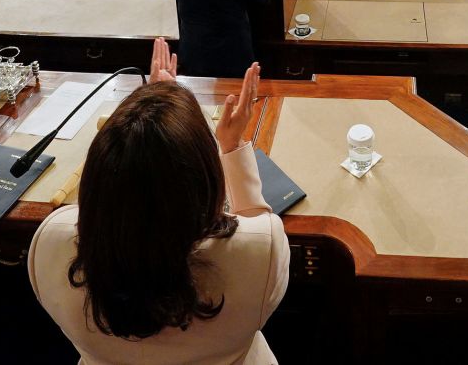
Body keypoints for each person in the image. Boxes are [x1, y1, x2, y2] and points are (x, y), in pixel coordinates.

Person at [29, 47, 285, 364]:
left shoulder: (49, 242)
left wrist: (149, 112)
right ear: (205, 180)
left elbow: (113, 199)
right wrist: (231, 147)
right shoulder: (260, 250)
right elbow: (253, 223)